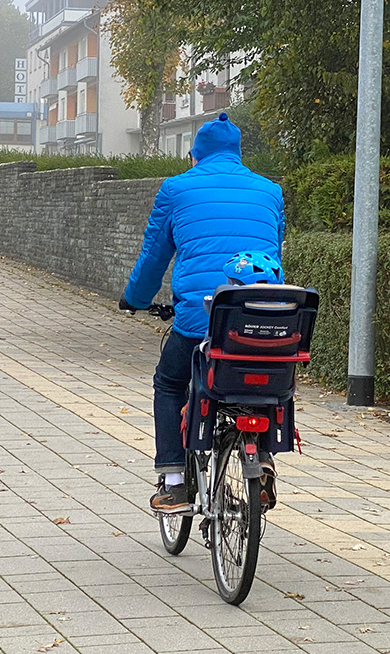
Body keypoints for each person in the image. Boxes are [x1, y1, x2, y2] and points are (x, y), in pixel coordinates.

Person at [120, 112, 284, 513]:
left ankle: (174, 481)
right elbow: (273, 253)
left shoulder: (177, 189)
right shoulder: (270, 191)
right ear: (237, 154)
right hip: (266, 321)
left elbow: (154, 256)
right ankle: (262, 457)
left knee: (169, 382)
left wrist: (135, 299)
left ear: (195, 155)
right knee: (262, 379)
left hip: (200, 321)